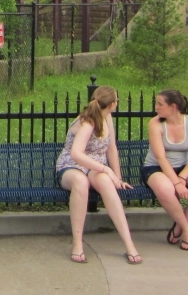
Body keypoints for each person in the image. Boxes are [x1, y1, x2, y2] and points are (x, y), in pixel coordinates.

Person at [55, 85, 142, 265]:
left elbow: (111, 148)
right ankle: (78, 244)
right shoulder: (87, 121)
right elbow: (76, 154)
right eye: (116, 100)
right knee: (80, 182)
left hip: (96, 167)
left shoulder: (107, 117)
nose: (117, 103)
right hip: (72, 166)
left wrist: (117, 177)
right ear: (111, 104)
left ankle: (129, 244)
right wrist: (106, 169)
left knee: (106, 183)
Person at [141, 89, 188, 251]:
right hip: (156, 168)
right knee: (166, 188)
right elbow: (161, 158)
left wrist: (182, 178)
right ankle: (187, 228)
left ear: (173, 107)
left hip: (183, 167)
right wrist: (176, 183)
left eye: (160, 104)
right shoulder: (155, 124)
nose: (156, 107)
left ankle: (178, 227)